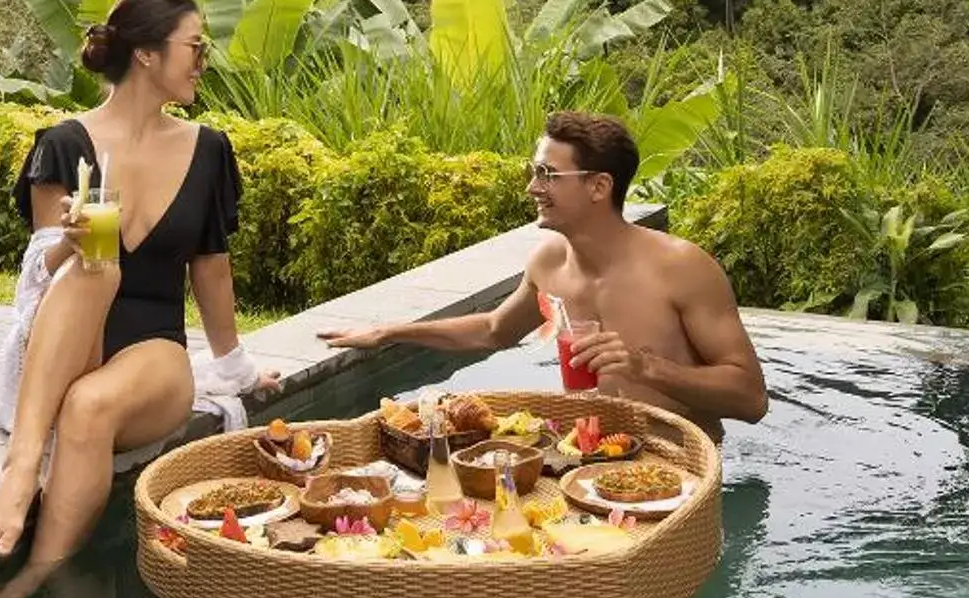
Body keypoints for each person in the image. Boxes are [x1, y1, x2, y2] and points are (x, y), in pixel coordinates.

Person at [0, 0, 268, 598]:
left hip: (150, 354)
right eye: (194, 47)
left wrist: (235, 370)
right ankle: (20, 476)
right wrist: (65, 245)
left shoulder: (208, 149)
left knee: (91, 405)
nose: (202, 60)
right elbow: (36, 283)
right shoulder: (63, 146)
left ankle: (34, 580)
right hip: (66, 343)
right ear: (149, 55)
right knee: (96, 265)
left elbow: (210, 269)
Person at [322, 110, 768, 431]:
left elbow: (751, 399)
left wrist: (645, 367)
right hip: (586, 456)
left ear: (599, 186)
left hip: (678, 469)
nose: (533, 187)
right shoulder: (549, 263)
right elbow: (495, 330)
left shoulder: (682, 268)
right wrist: (391, 333)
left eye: (548, 174)